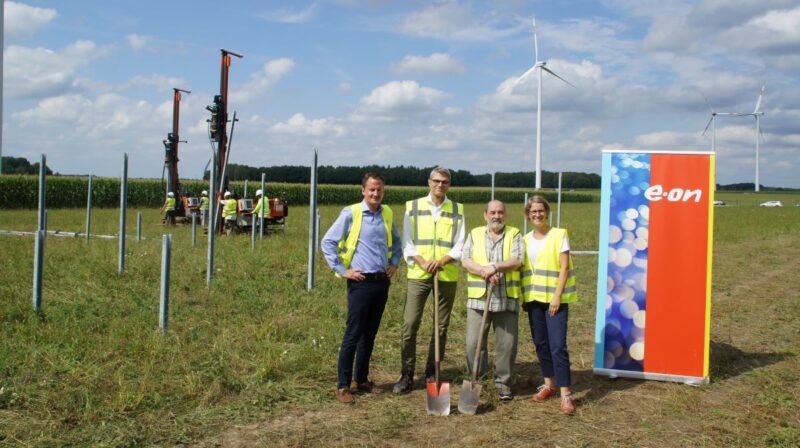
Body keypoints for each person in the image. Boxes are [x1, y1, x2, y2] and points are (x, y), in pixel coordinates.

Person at [321, 172, 402, 404]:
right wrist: (341, 269)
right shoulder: (352, 213)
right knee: (353, 334)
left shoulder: (386, 212)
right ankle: (343, 385)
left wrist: (395, 262)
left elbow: (396, 241)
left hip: (381, 281)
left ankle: (362, 379)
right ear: (363, 190)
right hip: (360, 282)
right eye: (371, 190)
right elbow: (327, 241)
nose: (375, 194)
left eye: (379, 190)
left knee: (370, 333)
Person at [393, 166, 466, 394]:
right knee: (410, 324)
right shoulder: (413, 207)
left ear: (449, 185)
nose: (440, 185)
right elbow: (407, 240)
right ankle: (406, 373)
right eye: (436, 181)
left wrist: (442, 261)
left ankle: (432, 372)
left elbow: (460, 244)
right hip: (419, 273)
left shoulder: (457, 210)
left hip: (445, 274)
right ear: (429, 182)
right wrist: (423, 262)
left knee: (440, 326)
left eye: (444, 182)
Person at [521, 195, 578, 415]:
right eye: (533, 211)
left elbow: (564, 268)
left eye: (540, 211)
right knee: (541, 344)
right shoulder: (525, 239)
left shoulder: (559, 235)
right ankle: (549, 384)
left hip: (555, 301)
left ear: (547, 212)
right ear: (528, 215)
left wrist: (557, 296)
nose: (537, 214)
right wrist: (525, 298)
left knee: (557, 346)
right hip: (533, 300)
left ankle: (565, 394)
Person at [461, 200, 523, 401]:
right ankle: (478, 380)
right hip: (479, 298)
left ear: (505, 214)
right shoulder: (475, 233)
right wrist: (484, 272)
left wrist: (495, 267)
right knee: (473, 343)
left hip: (506, 298)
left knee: (507, 345)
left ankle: (503, 383)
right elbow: (465, 259)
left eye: (500, 212)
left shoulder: (514, 234)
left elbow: (517, 260)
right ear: (485, 214)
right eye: (492, 212)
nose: (496, 216)